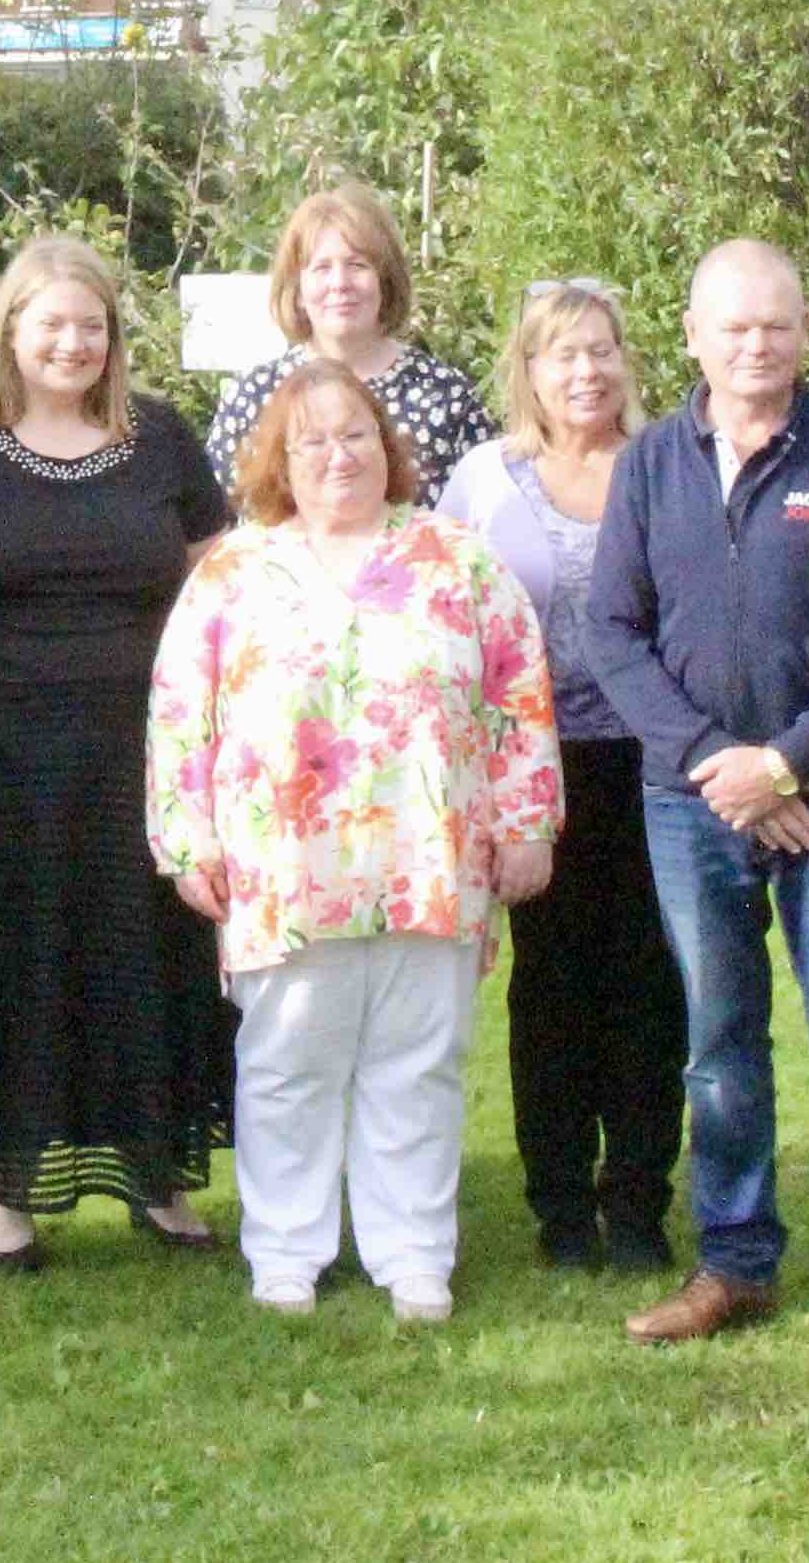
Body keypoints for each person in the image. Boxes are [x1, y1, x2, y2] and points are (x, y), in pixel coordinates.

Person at [580, 239, 809, 1375]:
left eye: (774, 323)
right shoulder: (648, 464)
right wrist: (719, 766)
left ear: (806, 327)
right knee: (719, 1049)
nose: (754, 344)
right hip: (691, 807)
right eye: (732, 326)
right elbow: (612, 634)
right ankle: (732, 1260)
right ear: (691, 335)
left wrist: (785, 764)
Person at [0, 235, 238, 1269]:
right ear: (10, 331)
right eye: (50, 323)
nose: (71, 342)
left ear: (112, 338)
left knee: (143, 959)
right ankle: (6, 1189)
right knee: (6, 963)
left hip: (139, 753)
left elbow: (225, 583)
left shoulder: (160, 439)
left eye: (90, 324)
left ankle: (154, 1174)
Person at [153, 362, 560, 1319]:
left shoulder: (457, 558)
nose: (338, 456)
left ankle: (413, 1252)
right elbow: (179, 715)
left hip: (431, 855)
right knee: (288, 1060)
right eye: (313, 442)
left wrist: (528, 821)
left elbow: (517, 694)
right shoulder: (232, 570)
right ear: (278, 463)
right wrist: (186, 840)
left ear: (387, 448)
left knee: (416, 1061)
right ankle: (286, 1251)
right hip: (282, 864)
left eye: (356, 436)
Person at [439, 279, 688, 1270]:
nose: (584, 371)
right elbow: (452, 628)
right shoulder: (485, 481)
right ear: (529, 372)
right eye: (561, 355)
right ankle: (559, 1210)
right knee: (551, 990)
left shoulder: (672, 465)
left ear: (625, 359)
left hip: (658, 761)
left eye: (599, 350)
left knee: (649, 989)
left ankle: (636, 1203)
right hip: (532, 774)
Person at [199, 182, 500, 477]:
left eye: (357, 265)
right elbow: (216, 520)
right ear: (298, 289)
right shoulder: (254, 397)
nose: (340, 283)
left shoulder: (446, 396)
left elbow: (482, 516)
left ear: (385, 279)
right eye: (322, 268)